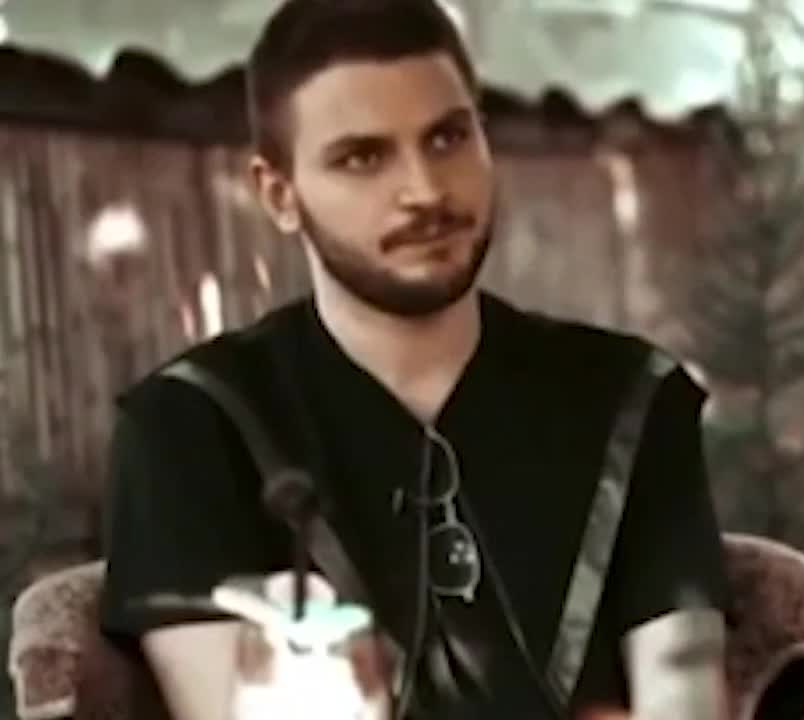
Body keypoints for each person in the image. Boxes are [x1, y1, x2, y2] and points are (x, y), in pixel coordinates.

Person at [96, 1, 732, 718]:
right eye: (363, 158)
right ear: (279, 195)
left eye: (447, 137)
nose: (426, 191)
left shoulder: (628, 398)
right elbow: (226, 707)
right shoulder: (189, 428)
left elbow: (684, 693)